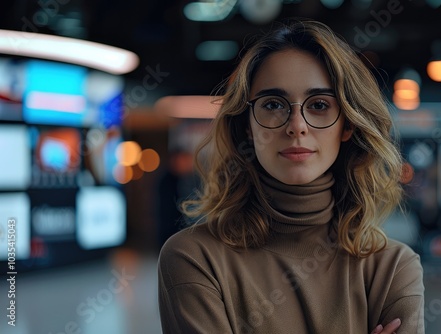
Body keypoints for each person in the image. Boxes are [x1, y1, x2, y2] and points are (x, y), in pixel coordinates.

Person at [158, 19, 425, 333]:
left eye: (320, 105)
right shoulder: (194, 258)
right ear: (247, 124)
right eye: (273, 104)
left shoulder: (393, 268)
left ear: (348, 125)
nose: (296, 125)